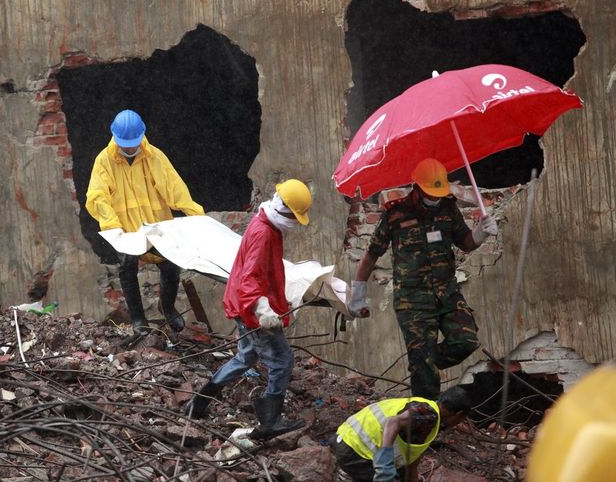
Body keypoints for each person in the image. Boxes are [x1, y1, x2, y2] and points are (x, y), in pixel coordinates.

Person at [348, 158, 498, 399]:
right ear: (416, 186)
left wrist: (481, 232)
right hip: (413, 301)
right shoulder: (395, 214)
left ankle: (424, 364)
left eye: (439, 194)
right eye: (431, 193)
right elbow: (372, 254)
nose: (435, 199)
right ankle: (424, 424)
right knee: (424, 372)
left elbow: (466, 243)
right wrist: (358, 293)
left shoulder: (448, 209)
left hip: (447, 295)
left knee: (466, 341)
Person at [183, 179, 312, 440]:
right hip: (252, 308)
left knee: (245, 359)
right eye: (295, 216)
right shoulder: (264, 233)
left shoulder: (265, 221)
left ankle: (198, 402)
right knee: (282, 361)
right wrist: (263, 309)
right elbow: (250, 278)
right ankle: (269, 422)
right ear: (285, 210)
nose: (297, 222)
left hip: (245, 305)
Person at [85, 109, 204, 335]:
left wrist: (195, 214)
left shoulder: (154, 157)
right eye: (125, 143)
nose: (129, 148)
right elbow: (97, 197)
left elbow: (174, 188)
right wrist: (113, 227)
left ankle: (167, 308)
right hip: (126, 230)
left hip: (156, 225)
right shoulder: (104, 161)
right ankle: (139, 318)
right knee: (127, 267)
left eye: (133, 143)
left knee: (170, 265)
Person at [332, 386, 472, 482]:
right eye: (461, 420)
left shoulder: (427, 418)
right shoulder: (428, 414)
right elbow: (393, 423)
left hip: (346, 441)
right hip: (355, 450)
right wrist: (384, 467)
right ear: (458, 415)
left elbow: (411, 465)